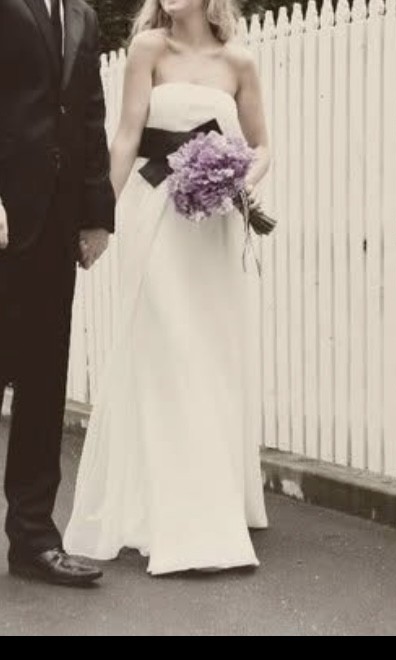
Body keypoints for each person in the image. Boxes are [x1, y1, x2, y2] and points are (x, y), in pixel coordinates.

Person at [65, 0, 270, 576]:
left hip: (212, 226)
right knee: (168, 352)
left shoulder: (240, 62)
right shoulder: (148, 49)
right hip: (155, 215)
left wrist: (233, 180)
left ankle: (212, 502)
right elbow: (127, 139)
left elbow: (263, 146)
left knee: (208, 355)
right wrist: (100, 218)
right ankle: (173, 515)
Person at [0, 0, 115, 586]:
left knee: (44, 383)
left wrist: (96, 215)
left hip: (55, 223)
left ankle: (34, 540)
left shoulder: (84, 17)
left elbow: (90, 114)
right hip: (3, 216)